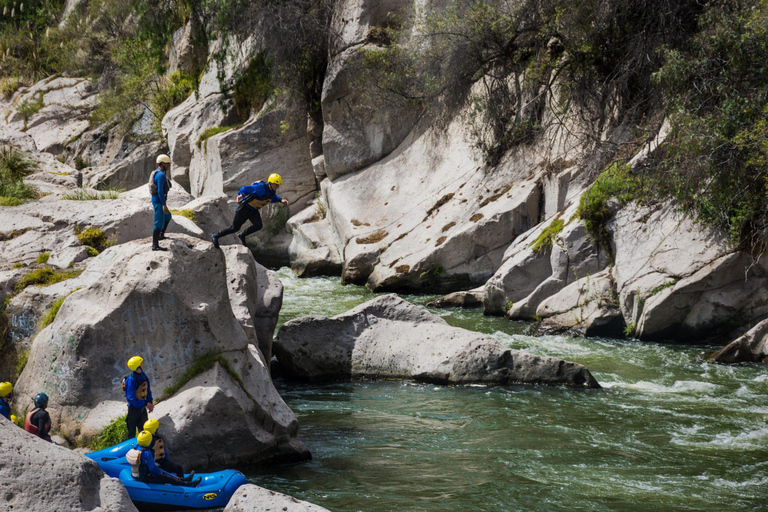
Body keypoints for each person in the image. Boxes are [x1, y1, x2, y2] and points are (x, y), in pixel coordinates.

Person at [211, 173, 289, 248]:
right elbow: (245, 189)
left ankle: (242, 235)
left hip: (253, 210)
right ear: (271, 183)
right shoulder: (260, 187)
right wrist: (240, 195)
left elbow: (273, 197)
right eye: (276, 184)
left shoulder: (272, 191)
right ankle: (215, 236)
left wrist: (281, 200)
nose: (278, 186)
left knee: (258, 225)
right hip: (244, 208)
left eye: (278, 185)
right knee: (234, 228)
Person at [125, 430, 201, 487]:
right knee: (167, 478)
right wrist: (159, 473)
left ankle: (185, 480)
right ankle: (189, 485)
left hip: (136, 476)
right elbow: (152, 469)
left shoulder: (135, 449)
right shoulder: (147, 453)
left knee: (165, 475)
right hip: (145, 478)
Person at [124, 356, 154, 439]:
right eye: (141, 363)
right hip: (133, 411)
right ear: (137, 366)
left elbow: (147, 390)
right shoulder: (131, 380)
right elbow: (131, 398)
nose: (143, 364)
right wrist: (145, 403)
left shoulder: (143, 375)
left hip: (142, 409)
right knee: (131, 433)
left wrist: (150, 402)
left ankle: (145, 448)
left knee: (144, 430)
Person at [150, 154, 173, 251]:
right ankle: (155, 245)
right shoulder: (160, 175)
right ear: (162, 164)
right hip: (159, 201)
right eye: (167, 164)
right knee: (158, 222)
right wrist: (163, 205)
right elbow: (160, 191)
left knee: (168, 216)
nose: (168, 166)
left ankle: (161, 235)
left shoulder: (158, 173)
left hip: (158, 200)